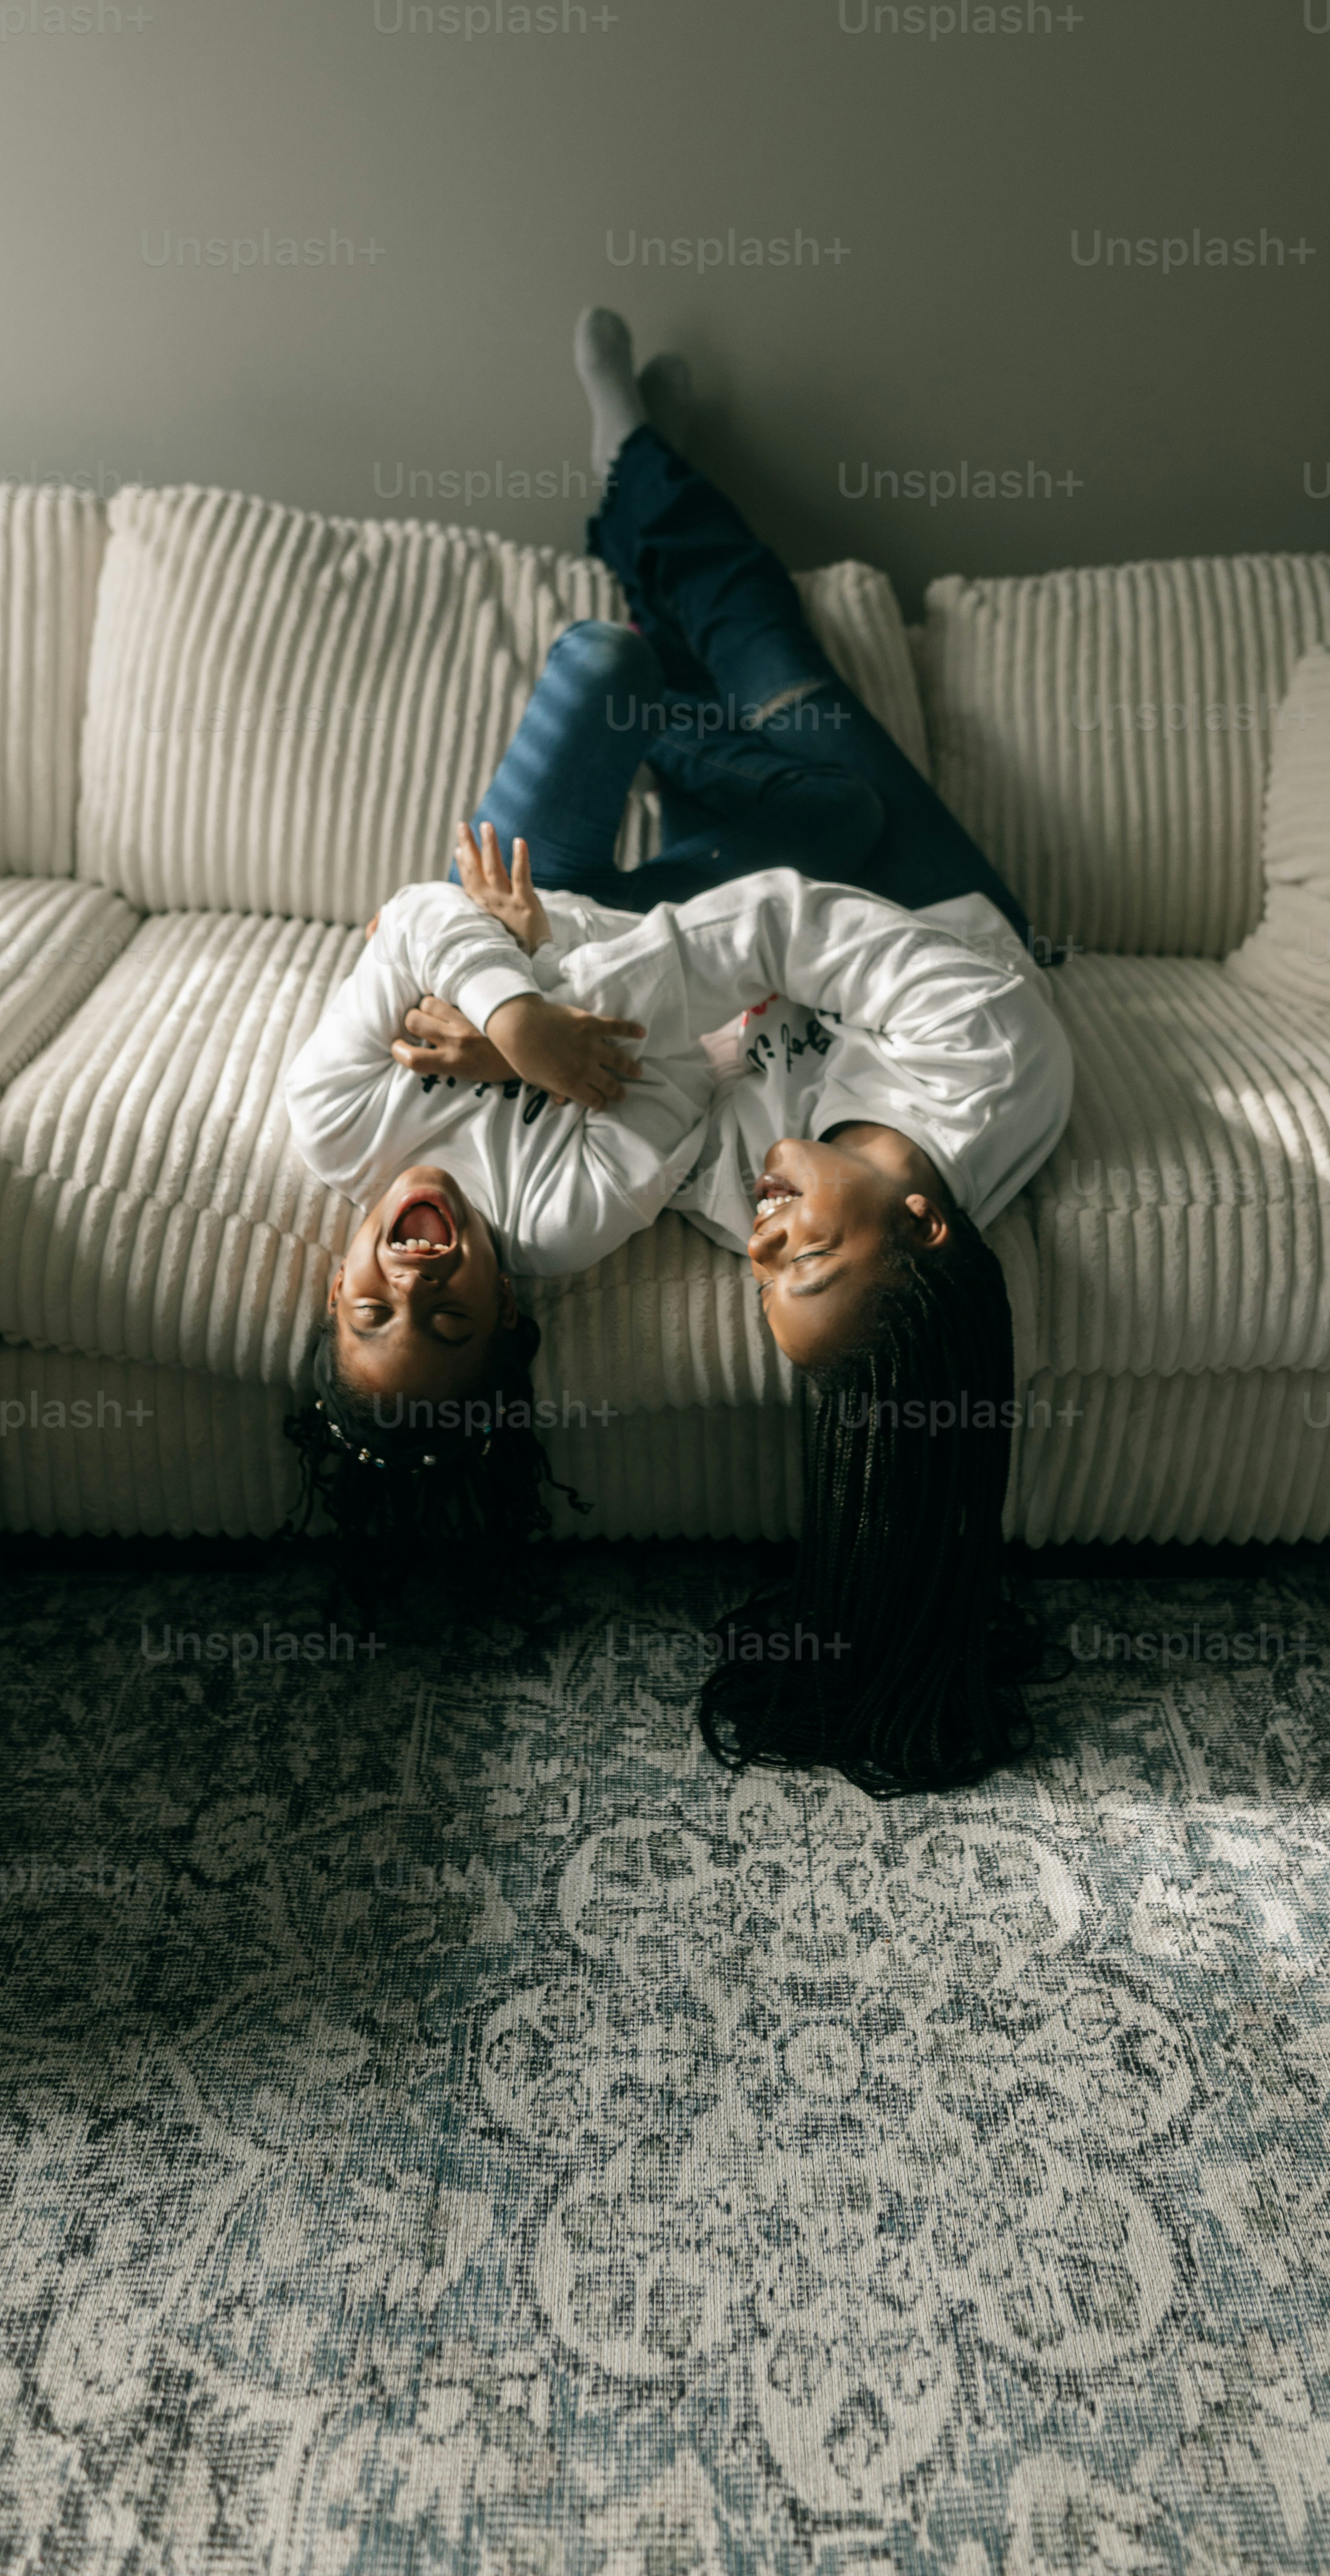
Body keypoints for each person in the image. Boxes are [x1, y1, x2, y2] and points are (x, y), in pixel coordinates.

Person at [280, 313, 1074, 1789]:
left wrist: (536, 990)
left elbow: (684, 1075)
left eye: (761, 1275)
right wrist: (525, 1030)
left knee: (689, 757)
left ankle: (680, 730)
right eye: (803, 1261)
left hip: (682, 961)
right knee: (798, 742)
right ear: (923, 1218)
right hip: (900, 902)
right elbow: (764, 945)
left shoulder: (752, 1198)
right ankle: (636, 475)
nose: (761, 1241)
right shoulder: (986, 1054)